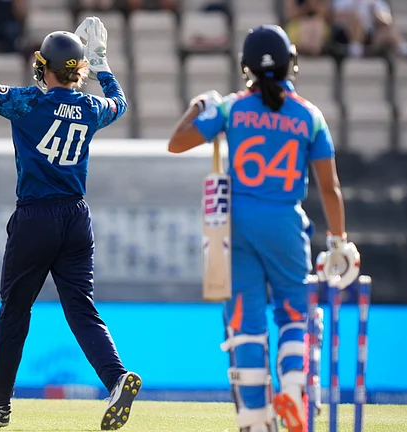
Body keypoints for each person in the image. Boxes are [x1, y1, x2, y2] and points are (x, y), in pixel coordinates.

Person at [0, 4, 140, 430]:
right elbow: (120, 102)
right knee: (82, 308)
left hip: (36, 215)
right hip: (76, 217)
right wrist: (104, 64)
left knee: (16, 310)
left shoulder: (27, 103)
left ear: (43, 67)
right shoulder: (92, 108)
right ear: (80, 71)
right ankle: (115, 378)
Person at [167, 25, 360, 432]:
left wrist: (197, 105)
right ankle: (292, 389)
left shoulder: (231, 109)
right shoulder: (309, 115)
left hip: (235, 225)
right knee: (294, 314)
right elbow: (330, 187)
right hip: (285, 225)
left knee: (246, 324)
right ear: (293, 64)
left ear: (245, 68)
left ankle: (254, 422)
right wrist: (339, 241)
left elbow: (176, 142)